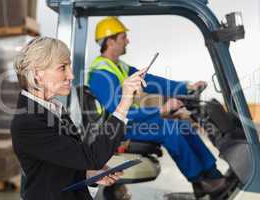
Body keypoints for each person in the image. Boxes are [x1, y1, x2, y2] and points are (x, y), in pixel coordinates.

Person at [88, 16, 227, 197]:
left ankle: (213, 175)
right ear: (110, 41)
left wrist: (186, 87)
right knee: (169, 128)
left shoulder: (119, 67)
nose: (127, 40)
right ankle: (199, 181)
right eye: (123, 37)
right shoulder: (101, 73)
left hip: (129, 122)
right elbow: (119, 111)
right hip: (115, 129)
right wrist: (160, 111)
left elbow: (153, 82)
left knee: (183, 125)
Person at [11, 37, 147, 200]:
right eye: (63, 67)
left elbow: (62, 165)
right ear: (38, 74)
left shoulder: (53, 110)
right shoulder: (29, 123)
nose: (71, 75)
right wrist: (124, 102)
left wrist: (90, 176)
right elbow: (91, 157)